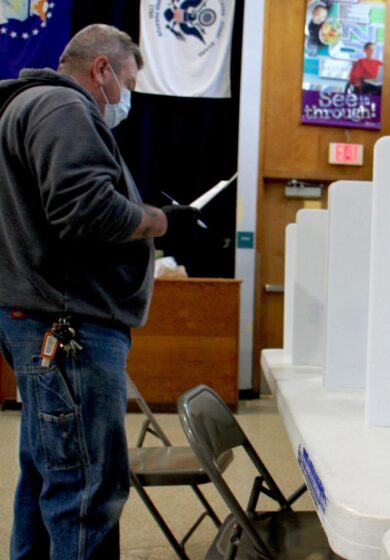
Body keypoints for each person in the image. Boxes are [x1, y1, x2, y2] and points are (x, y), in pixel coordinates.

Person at [0, 24, 198, 559]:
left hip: (47, 318)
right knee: (87, 486)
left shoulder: (28, 106)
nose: (128, 96)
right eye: (129, 81)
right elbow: (85, 208)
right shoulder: (63, 108)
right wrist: (160, 221)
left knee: (49, 476)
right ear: (102, 69)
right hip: (69, 326)